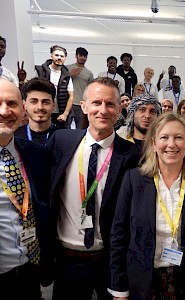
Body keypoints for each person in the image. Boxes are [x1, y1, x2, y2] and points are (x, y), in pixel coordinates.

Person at [48, 77, 140, 300]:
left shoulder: (133, 155)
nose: (103, 110)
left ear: (119, 110)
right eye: (96, 102)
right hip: (67, 260)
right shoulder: (61, 141)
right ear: (84, 106)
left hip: (109, 261)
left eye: (110, 104)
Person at [109, 113, 185, 299]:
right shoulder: (134, 180)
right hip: (142, 282)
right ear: (154, 143)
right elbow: (119, 236)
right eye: (164, 137)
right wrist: (119, 289)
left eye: (179, 137)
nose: (171, 144)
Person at [0, 79, 51, 299]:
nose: (4, 111)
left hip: (28, 270)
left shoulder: (34, 154)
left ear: (22, 110)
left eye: (11, 103)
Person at [35, 45, 74, 129]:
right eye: (56, 55)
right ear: (51, 56)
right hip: (44, 112)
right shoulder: (40, 71)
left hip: (60, 114)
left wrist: (65, 114)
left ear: (65, 59)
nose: (59, 58)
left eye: (62, 56)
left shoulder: (66, 75)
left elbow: (71, 96)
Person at [15, 77, 59, 145]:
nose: (40, 107)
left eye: (46, 102)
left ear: (53, 105)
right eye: (34, 102)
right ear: (24, 105)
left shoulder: (64, 138)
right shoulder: (13, 137)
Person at [66, 47, 94, 129]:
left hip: (81, 104)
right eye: (81, 55)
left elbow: (91, 90)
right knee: (66, 127)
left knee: (81, 128)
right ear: (76, 56)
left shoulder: (89, 73)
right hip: (68, 103)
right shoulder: (67, 68)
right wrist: (70, 75)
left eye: (85, 56)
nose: (83, 58)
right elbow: (60, 81)